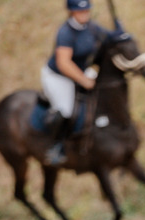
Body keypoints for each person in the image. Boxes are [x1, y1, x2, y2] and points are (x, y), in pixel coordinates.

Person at [41, 0, 109, 166]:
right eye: (80, 11)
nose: (84, 14)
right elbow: (63, 63)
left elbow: (108, 39)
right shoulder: (65, 32)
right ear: (72, 12)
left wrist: (120, 34)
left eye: (87, 10)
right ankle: (56, 146)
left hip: (82, 71)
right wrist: (83, 80)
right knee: (66, 109)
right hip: (59, 76)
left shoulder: (92, 27)